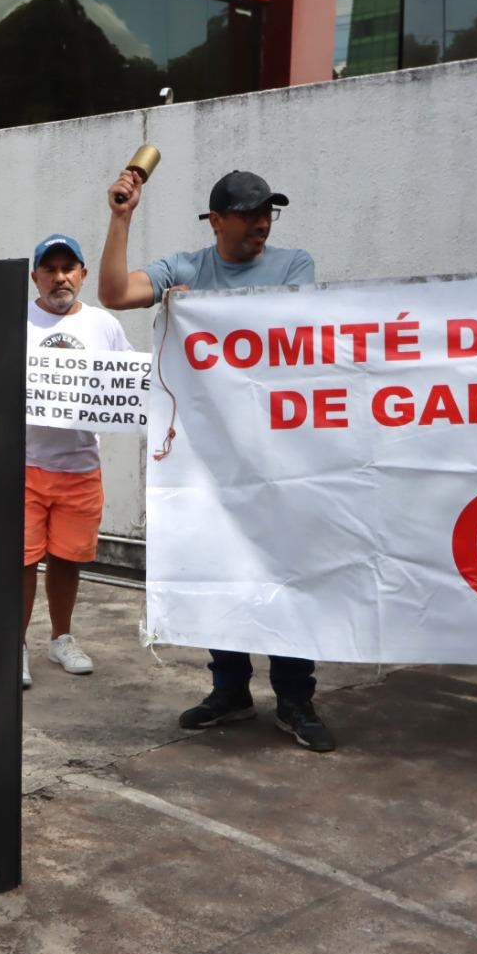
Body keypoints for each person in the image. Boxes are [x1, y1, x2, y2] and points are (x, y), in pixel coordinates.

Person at [98, 168, 333, 752]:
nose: (262, 223)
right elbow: (114, 295)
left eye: (268, 213)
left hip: (281, 458)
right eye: (251, 213)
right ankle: (229, 690)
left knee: (284, 575)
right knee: (219, 571)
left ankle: (295, 698)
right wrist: (122, 216)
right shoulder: (184, 267)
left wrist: (198, 309)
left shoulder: (294, 264)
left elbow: (288, 325)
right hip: (208, 461)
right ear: (217, 221)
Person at [21, 233, 131, 688]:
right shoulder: (13, 320)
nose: (60, 277)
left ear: (83, 275)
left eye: (69, 268)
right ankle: (15, 645)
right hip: (22, 464)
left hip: (80, 466)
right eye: (50, 268)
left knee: (68, 559)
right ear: (35, 277)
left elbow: (127, 383)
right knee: (20, 561)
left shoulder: (105, 325)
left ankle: (61, 638)